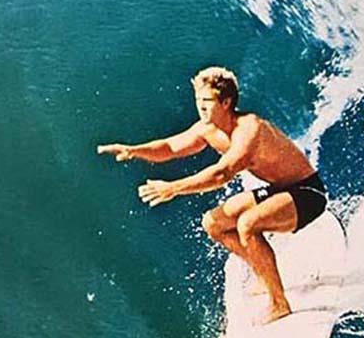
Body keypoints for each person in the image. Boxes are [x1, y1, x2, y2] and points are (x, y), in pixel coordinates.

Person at [97, 66, 327, 323]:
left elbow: (223, 173)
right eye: (197, 100)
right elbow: (170, 147)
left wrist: (173, 188)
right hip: (280, 189)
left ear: (226, 102)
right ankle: (263, 275)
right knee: (214, 223)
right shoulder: (208, 129)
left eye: (206, 101)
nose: (200, 106)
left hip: (308, 192)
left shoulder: (250, 129)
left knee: (248, 225)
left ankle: (279, 303)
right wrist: (134, 150)